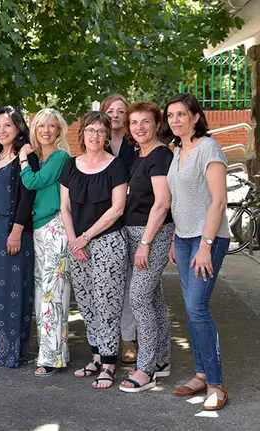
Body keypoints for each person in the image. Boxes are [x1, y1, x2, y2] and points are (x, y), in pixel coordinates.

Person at [165, 93, 229, 410]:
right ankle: (200, 374)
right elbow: (183, 198)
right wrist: (178, 232)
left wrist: (205, 245)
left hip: (209, 239)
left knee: (197, 306)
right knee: (192, 310)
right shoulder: (176, 150)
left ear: (195, 116)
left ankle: (216, 384)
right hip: (184, 237)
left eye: (181, 114)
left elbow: (217, 201)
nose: (175, 120)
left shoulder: (209, 148)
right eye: (171, 115)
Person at [60, 111, 128, 389]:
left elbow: (117, 209)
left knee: (107, 303)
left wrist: (85, 236)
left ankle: (110, 363)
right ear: (83, 134)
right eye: (90, 131)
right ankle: (97, 356)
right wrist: (73, 239)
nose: (96, 136)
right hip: (76, 244)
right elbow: (64, 207)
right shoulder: (71, 165)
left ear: (106, 136)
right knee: (87, 303)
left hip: (107, 242)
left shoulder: (117, 165)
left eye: (101, 131)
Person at [118, 101, 175, 393]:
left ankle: (146, 368)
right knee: (153, 298)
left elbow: (163, 202)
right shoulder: (139, 155)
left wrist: (145, 243)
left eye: (145, 122)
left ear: (156, 124)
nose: (139, 127)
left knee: (139, 297)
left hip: (152, 234)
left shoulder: (160, 155)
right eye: (134, 122)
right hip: (134, 231)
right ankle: (163, 359)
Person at [0, 107, 37, 367]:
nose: (2, 130)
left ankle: (12, 351)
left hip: (13, 229)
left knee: (12, 288)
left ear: (18, 128)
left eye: (8, 125)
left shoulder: (25, 156)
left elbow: (27, 197)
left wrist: (16, 230)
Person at [19, 108, 72, 377]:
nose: (47, 131)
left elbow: (33, 182)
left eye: (52, 126)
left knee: (51, 293)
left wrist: (22, 160)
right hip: (41, 228)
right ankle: (54, 353)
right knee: (46, 293)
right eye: (42, 126)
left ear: (59, 130)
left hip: (55, 226)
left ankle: (49, 358)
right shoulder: (44, 156)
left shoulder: (60, 157)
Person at [101, 94, 137, 363]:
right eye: (109, 110)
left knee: (129, 286)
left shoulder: (136, 147)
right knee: (105, 287)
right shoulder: (94, 143)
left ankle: (127, 339)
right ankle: (106, 341)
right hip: (102, 223)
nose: (115, 114)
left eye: (120, 111)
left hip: (132, 221)